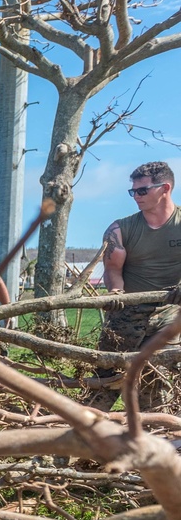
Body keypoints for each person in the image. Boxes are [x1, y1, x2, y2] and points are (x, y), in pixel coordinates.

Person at [88, 161, 181, 412]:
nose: (136, 197)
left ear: (165, 188)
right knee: (105, 380)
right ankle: (79, 440)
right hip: (126, 315)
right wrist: (116, 293)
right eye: (133, 192)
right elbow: (113, 271)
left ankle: (154, 440)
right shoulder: (120, 229)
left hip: (169, 314)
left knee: (152, 384)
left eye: (142, 191)